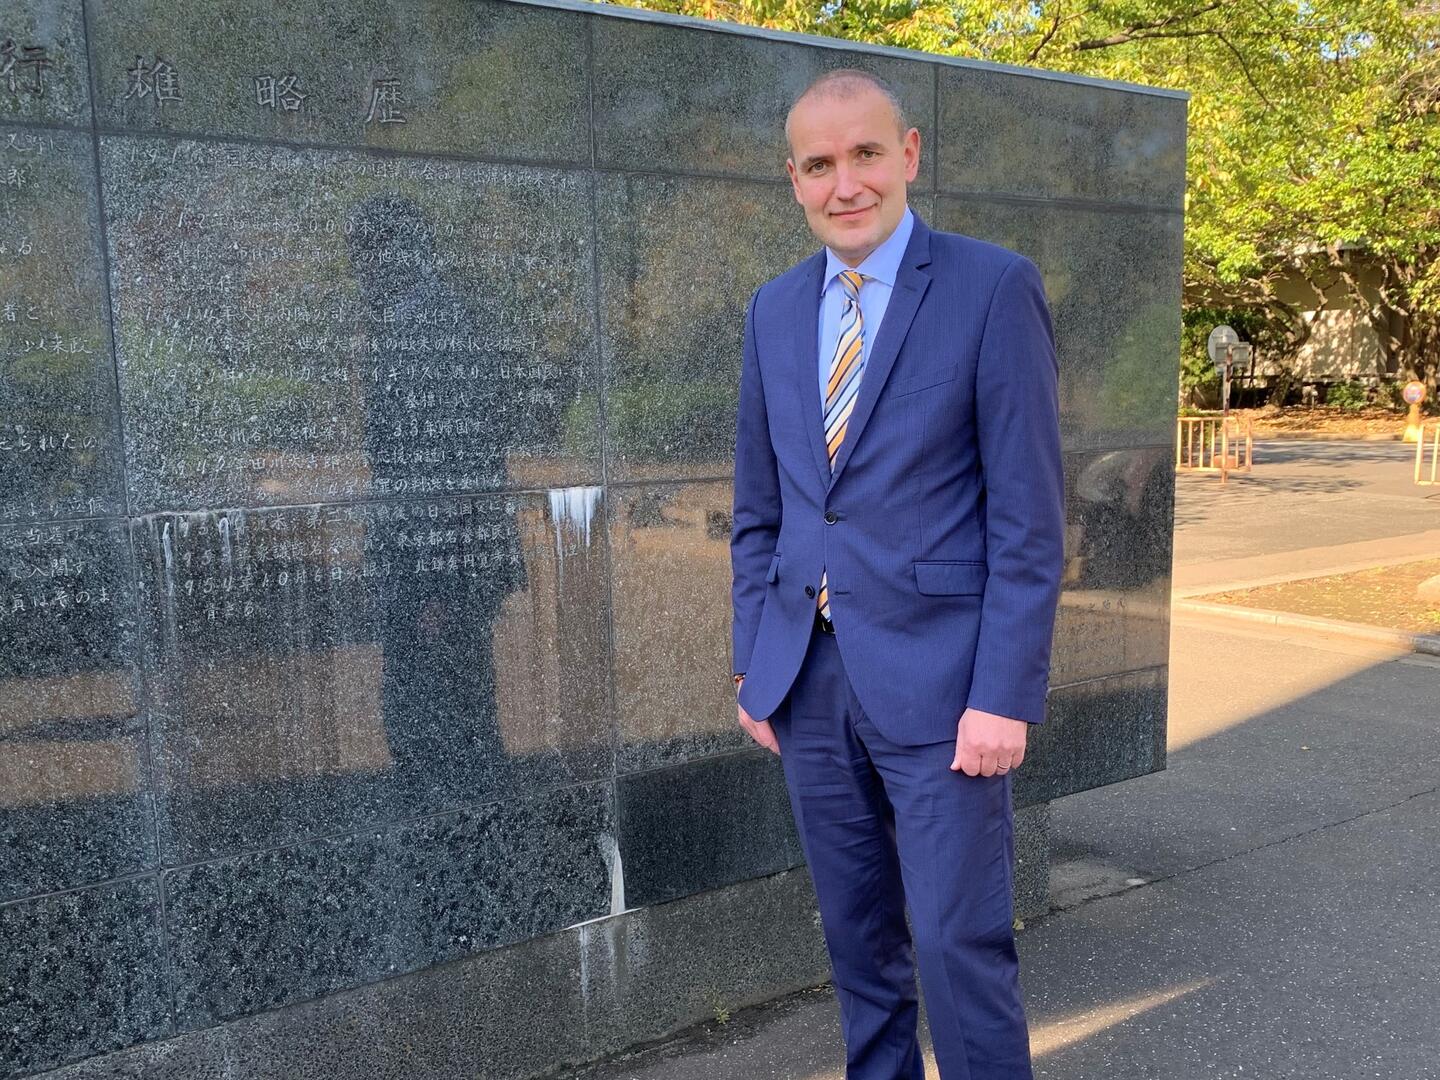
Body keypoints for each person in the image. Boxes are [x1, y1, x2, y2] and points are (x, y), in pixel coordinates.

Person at [729, 69, 1064, 1080]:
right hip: (809, 684)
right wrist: (753, 663)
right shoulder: (774, 310)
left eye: (866, 154)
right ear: (793, 179)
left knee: (961, 950)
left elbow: (1029, 520)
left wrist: (1003, 696)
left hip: (946, 690)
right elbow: (762, 512)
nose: (846, 184)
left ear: (909, 154)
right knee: (858, 946)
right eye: (820, 165)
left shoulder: (991, 288)